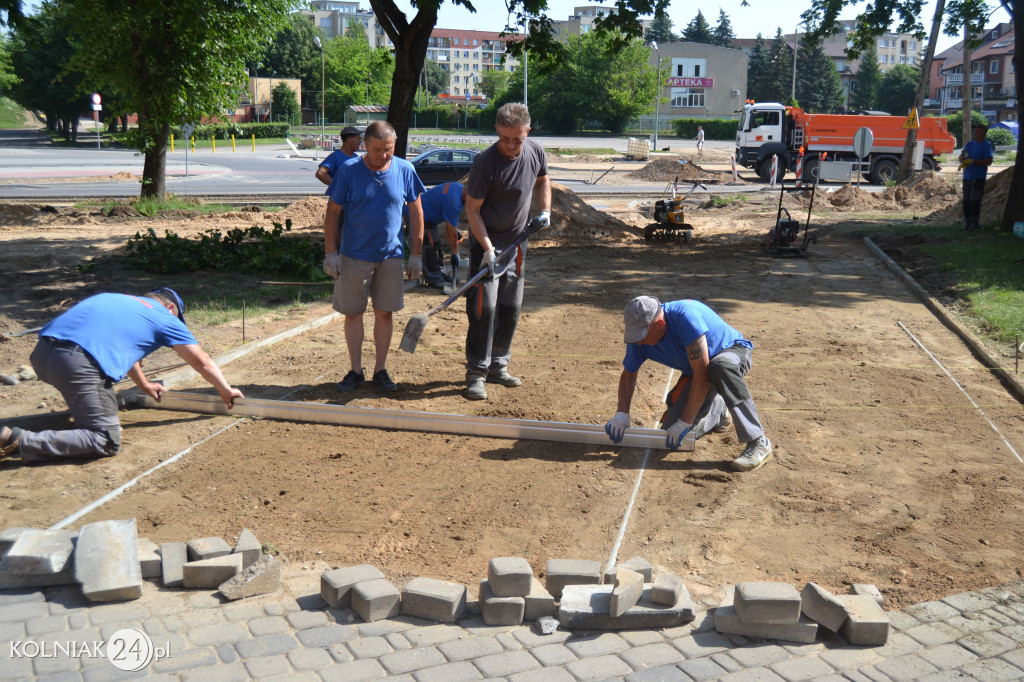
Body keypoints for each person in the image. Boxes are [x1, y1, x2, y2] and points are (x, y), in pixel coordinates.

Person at [0, 289, 244, 464]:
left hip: (43, 355)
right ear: (171, 308)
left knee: (90, 409)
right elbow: (201, 361)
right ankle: (14, 439)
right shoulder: (163, 316)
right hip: (77, 363)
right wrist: (225, 390)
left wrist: (145, 384)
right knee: (103, 439)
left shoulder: (114, 299)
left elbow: (125, 353)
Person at [604, 296, 773, 472]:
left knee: (719, 367)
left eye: (642, 335)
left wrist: (685, 422)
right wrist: (622, 414)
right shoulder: (640, 335)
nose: (638, 341)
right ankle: (718, 413)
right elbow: (629, 374)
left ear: (660, 324)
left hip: (730, 354)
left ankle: (759, 441)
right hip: (696, 369)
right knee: (669, 437)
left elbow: (702, 374)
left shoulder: (686, 318)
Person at [322, 121, 425, 393]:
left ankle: (381, 369)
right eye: (377, 149)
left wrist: (416, 254)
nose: (383, 155)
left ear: (395, 144)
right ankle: (355, 371)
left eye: (388, 150)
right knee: (353, 313)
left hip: (391, 256)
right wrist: (330, 253)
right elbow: (332, 213)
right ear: (365, 145)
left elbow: (416, 213)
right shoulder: (348, 171)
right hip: (354, 256)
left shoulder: (405, 169)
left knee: (384, 313)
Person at [463, 102, 551, 401]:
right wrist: (487, 249)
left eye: (518, 139)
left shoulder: (535, 151)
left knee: (510, 307)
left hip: (518, 243)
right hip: (486, 245)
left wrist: (545, 210)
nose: (512, 145)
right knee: (483, 309)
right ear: (497, 131)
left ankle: (498, 366)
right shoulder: (485, 163)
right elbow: (472, 211)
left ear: (528, 130)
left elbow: (542, 180)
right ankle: (476, 372)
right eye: (505, 138)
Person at [413, 181, 465, 289]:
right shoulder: (455, 201)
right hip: (419, 215)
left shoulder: (458, 188)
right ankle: (433, 278)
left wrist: (455, 229)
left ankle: (440, 274)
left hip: (427, 216)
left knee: (435, 244)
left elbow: (450, 222)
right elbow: (450, 231)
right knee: (430, 245)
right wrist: (455, 252)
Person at [959, 124, 994, 231]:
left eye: (978, 131)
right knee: (966, 201)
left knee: (975, 201)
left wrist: (974, 161)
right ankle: (967, 223)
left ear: (983, 134)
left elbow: (989, 161)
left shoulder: (986, 145)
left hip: (978, 177)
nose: (975, 133)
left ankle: (974, 224)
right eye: (975, 131)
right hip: (967, 177)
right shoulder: (969, 144)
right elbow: (961, 158)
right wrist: (962, 157)